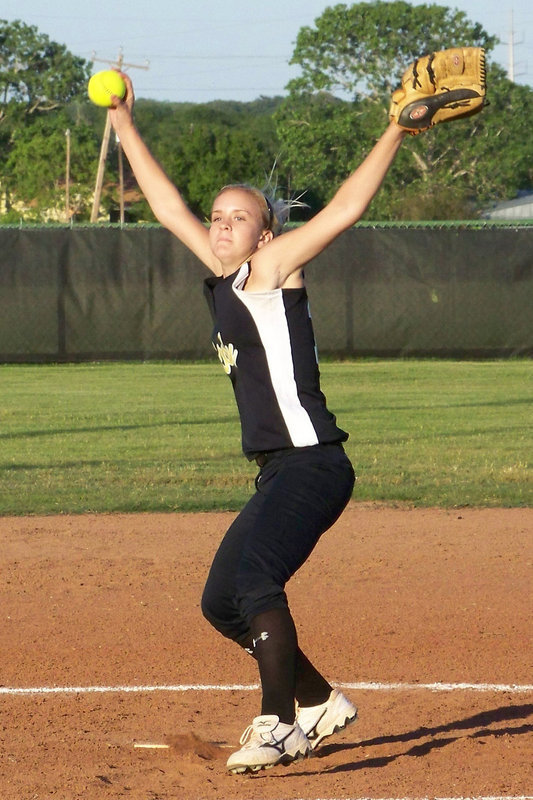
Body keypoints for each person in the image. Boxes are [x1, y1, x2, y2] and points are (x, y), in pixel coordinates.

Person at [108, 73, 406, 775]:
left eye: (236, 217)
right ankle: (319, 701)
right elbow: (166, 205)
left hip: (312, 462)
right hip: (280, 468)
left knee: (254, 581)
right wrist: (122, 121)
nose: (218, 223)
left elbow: (343, 210)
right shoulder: (224, 281)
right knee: (222, 602)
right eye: (217, 215)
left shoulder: (271, 271)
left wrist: (396, 130)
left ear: (266, 233)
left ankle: (278, 724)